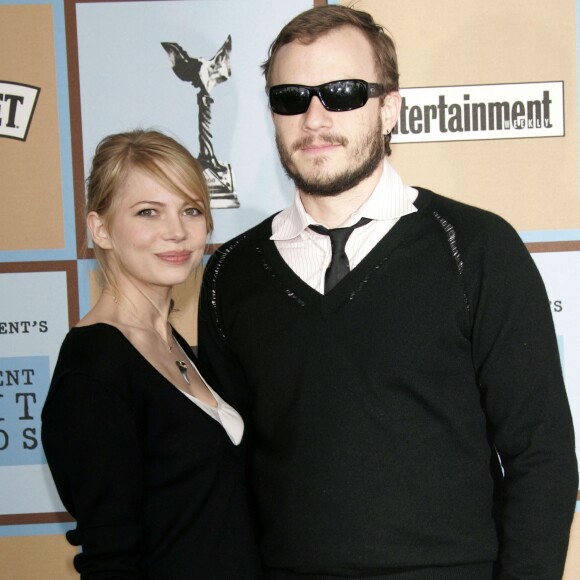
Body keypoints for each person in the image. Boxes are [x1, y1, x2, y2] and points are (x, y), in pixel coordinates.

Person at [197, 5, 578, 580]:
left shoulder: (475, 248)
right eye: (291, 96)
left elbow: (541, 455)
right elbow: (226, 476)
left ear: (389, 108)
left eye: (344, 92)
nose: (315, 117)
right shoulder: (231, 272)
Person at [41, 129, 260, 579]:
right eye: (148, 212)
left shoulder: (173, 344)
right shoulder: (94, 371)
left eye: (191, 210)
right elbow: (110, 559)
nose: (177, 231)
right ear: (100, 229)